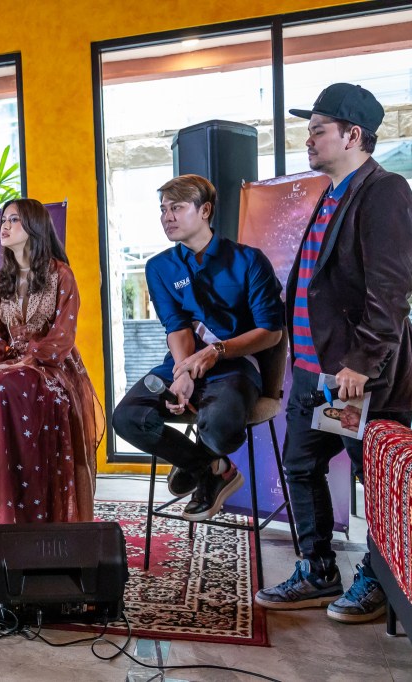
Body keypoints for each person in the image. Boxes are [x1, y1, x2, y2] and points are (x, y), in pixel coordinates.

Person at [255, 83, 412, 623]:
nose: (308, 140)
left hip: (356, 378)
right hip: (315, 374)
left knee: (373, 480)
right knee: (300, 466)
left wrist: (362, 363)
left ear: (353, 135)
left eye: (318, 130)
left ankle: (379, 579)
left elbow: (390, 292)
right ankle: (318, 571)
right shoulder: (330, 194)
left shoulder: (384, 191)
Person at [111, 174, 285, 522]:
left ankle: (200, 464)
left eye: (176, 208)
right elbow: (175, 326)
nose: (167, 217)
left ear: (204, 210)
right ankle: (210, 468)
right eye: (163, 210)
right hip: (182, 360)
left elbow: (271, 333)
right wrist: (183, 371)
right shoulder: (160, 267)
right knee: (126, 417)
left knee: (219, 424)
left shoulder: (249, 261)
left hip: (236, 365)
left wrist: (216, 351)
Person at [0, 198, 103, 574]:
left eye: (14, 219)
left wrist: (22, 362)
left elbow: (62, 338)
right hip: (8, 375)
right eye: (3, 219)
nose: (4, 225)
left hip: (53, 370)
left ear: (35, 226)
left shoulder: (61, 275)